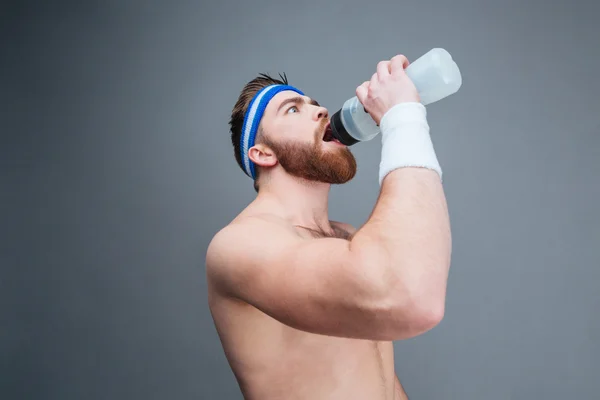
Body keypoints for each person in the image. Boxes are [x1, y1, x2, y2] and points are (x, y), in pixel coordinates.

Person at [206, 54, 452, 400]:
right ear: (261, 153)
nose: (320, 111)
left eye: (316, 104)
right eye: (293, 109)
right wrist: (403, 119)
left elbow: (377, 379)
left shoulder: (348, 239)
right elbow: (409, 297)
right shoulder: (239, 245)